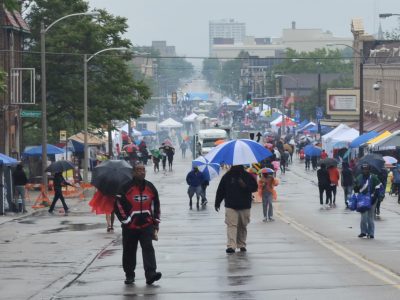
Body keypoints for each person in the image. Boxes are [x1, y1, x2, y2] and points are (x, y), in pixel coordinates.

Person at [113, 163, 162, 285]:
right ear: (133, 172)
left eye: (143, 170)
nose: (142, 172)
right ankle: (129, 275)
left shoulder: (150, 187)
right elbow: (118, 205)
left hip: (147, 226)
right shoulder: (125, 187)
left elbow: (156, 204)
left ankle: (151, 274)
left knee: (148, 248)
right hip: (130, 227)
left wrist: (155, 221)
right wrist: (126, 221)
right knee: (129, 251)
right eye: (139, 170)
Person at [215, 165, 258, 254]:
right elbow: (221, 190)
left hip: (244, 205)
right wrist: (217, 202)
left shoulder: (247, 176)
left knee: (243, 225)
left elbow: (255, 188)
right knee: (232, 225)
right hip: (231, 205)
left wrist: (245, 186)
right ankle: (231, 246)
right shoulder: (227, 176)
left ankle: (241, 244)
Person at [354, 164, 381, 239]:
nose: (365, 170)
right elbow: (355, 188)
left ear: (369, 170)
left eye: (367, 169)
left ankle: (371, 233)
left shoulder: (374, 177)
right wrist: (357, 187)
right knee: (363, 218)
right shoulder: (359, 177)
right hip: (363, 200)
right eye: (364, 169)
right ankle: (363, 232)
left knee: (370, 218)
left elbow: (378, 188)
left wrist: (375, 198)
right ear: (362, 169)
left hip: (372, 199)